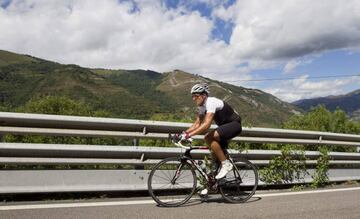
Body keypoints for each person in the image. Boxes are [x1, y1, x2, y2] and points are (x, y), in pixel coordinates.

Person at [177, 83, 242, 195]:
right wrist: (183, 133)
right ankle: (213, 185)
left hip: (234, 125)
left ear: (203, 95)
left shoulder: (210, 102)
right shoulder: (202, 107)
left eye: (195, 96)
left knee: (208, 137)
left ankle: (226, 164)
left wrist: (189, 136)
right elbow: (197, 123)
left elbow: (206, 125)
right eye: (192, 96)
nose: (193, 98)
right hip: (224, 128)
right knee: (214, 160)